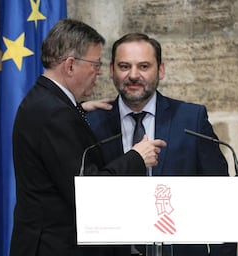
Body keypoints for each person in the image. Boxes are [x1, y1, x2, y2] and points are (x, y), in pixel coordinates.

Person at [10, 20, 166, 256]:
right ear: (71, 65)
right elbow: (87, 192)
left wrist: (78, 109)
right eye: (95, 64)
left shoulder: (48, 102)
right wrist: (136, 157)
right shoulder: (55, 113)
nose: (100, 71)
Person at [87, 33, 237, 256]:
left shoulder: (191, 119)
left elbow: (221, 203)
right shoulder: (91, 123)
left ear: (161, 70)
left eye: (144, 66)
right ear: (111, 71)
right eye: (124, 66)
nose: (134, 75)